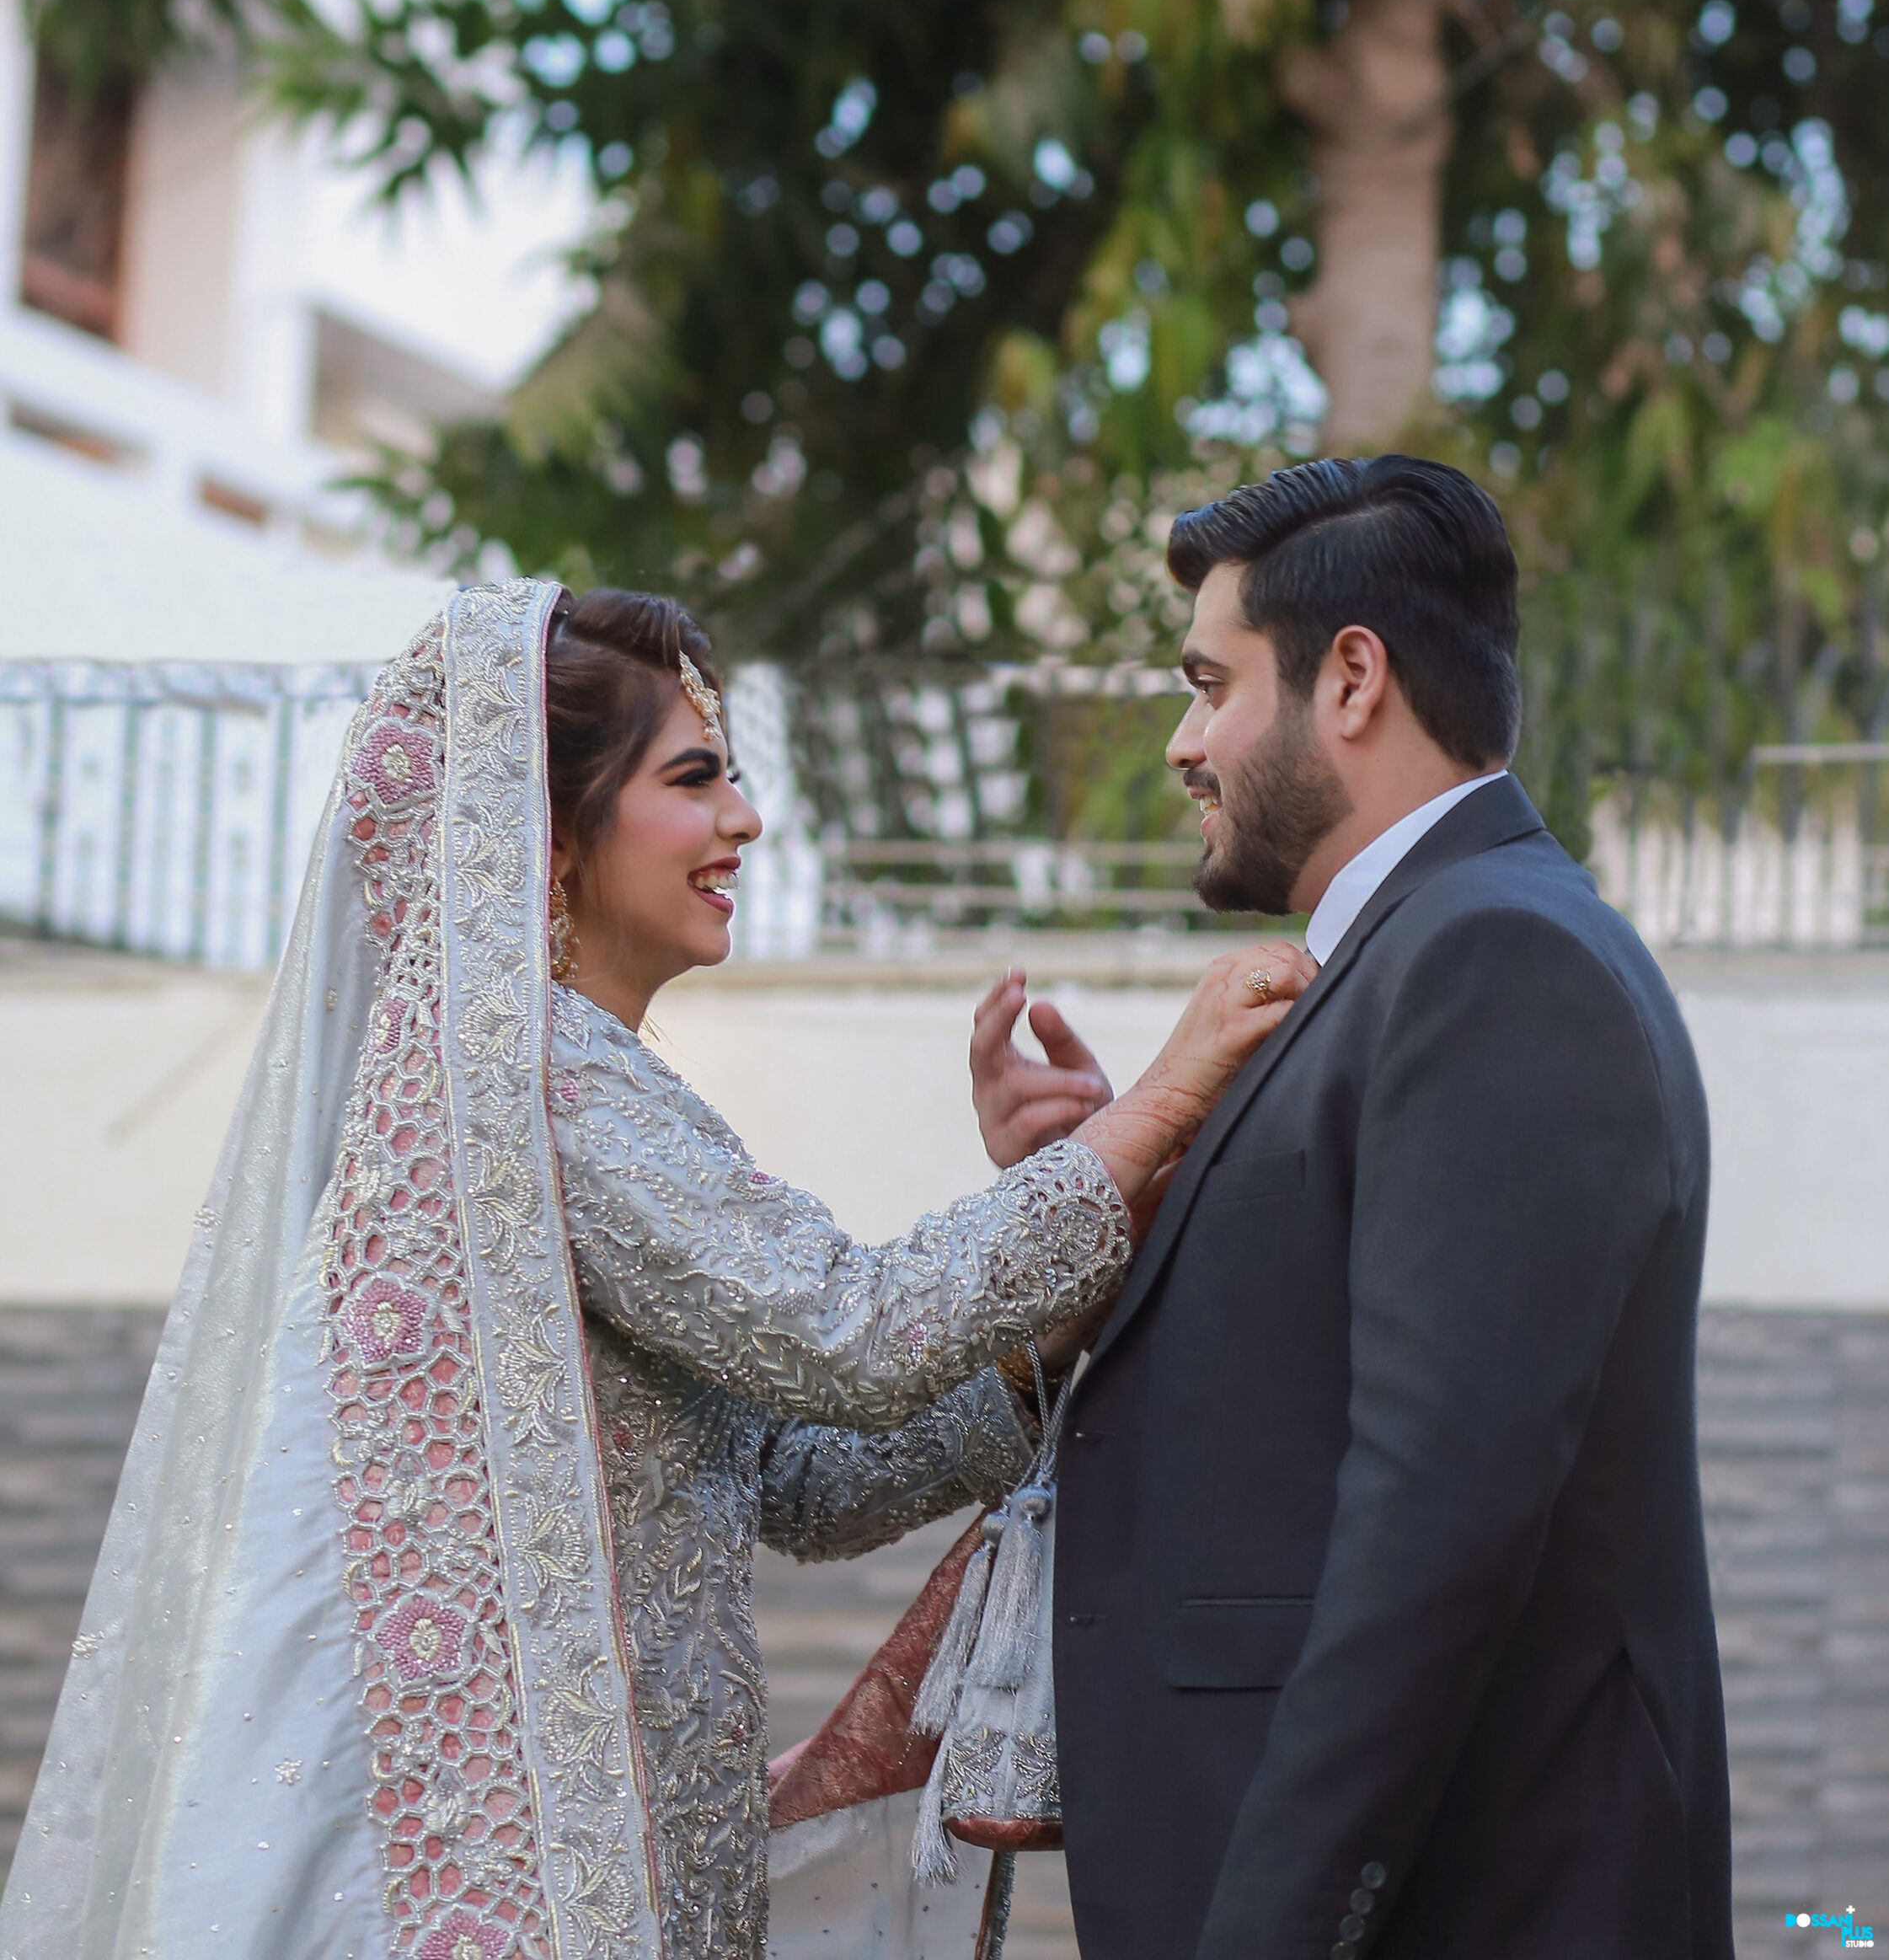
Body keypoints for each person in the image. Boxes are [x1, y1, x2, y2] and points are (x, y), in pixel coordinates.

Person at [0, 580, 1308, 1960]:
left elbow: (796, 1482)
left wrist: (1053, 1311)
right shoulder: (539, 1083)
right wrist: (1146, 1117)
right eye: (695, 780)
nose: (744, 820)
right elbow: (851, 1330)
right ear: (549, 834)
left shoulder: (571, 1081)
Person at [974, 457, 1731, 1959]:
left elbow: (1432, 1528)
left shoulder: (1493, 960)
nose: (1183, 743)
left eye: (1208, 686)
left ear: (1352, 680)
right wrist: (1119, 1203)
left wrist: (1273, 1930)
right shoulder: (1419, 952)